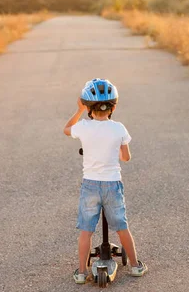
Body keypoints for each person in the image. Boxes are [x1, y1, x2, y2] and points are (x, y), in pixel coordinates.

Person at [63, 78, 148, 284]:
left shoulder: (83, 126)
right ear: (114, 106)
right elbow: (126, 158)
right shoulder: (119, 128)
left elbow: (67, 129)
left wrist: (79, 110)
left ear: (88, 106)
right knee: (121, 226)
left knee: (86, 230)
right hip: (112, 185)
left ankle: (82, 272)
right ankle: (136, 266)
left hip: (90, 185)